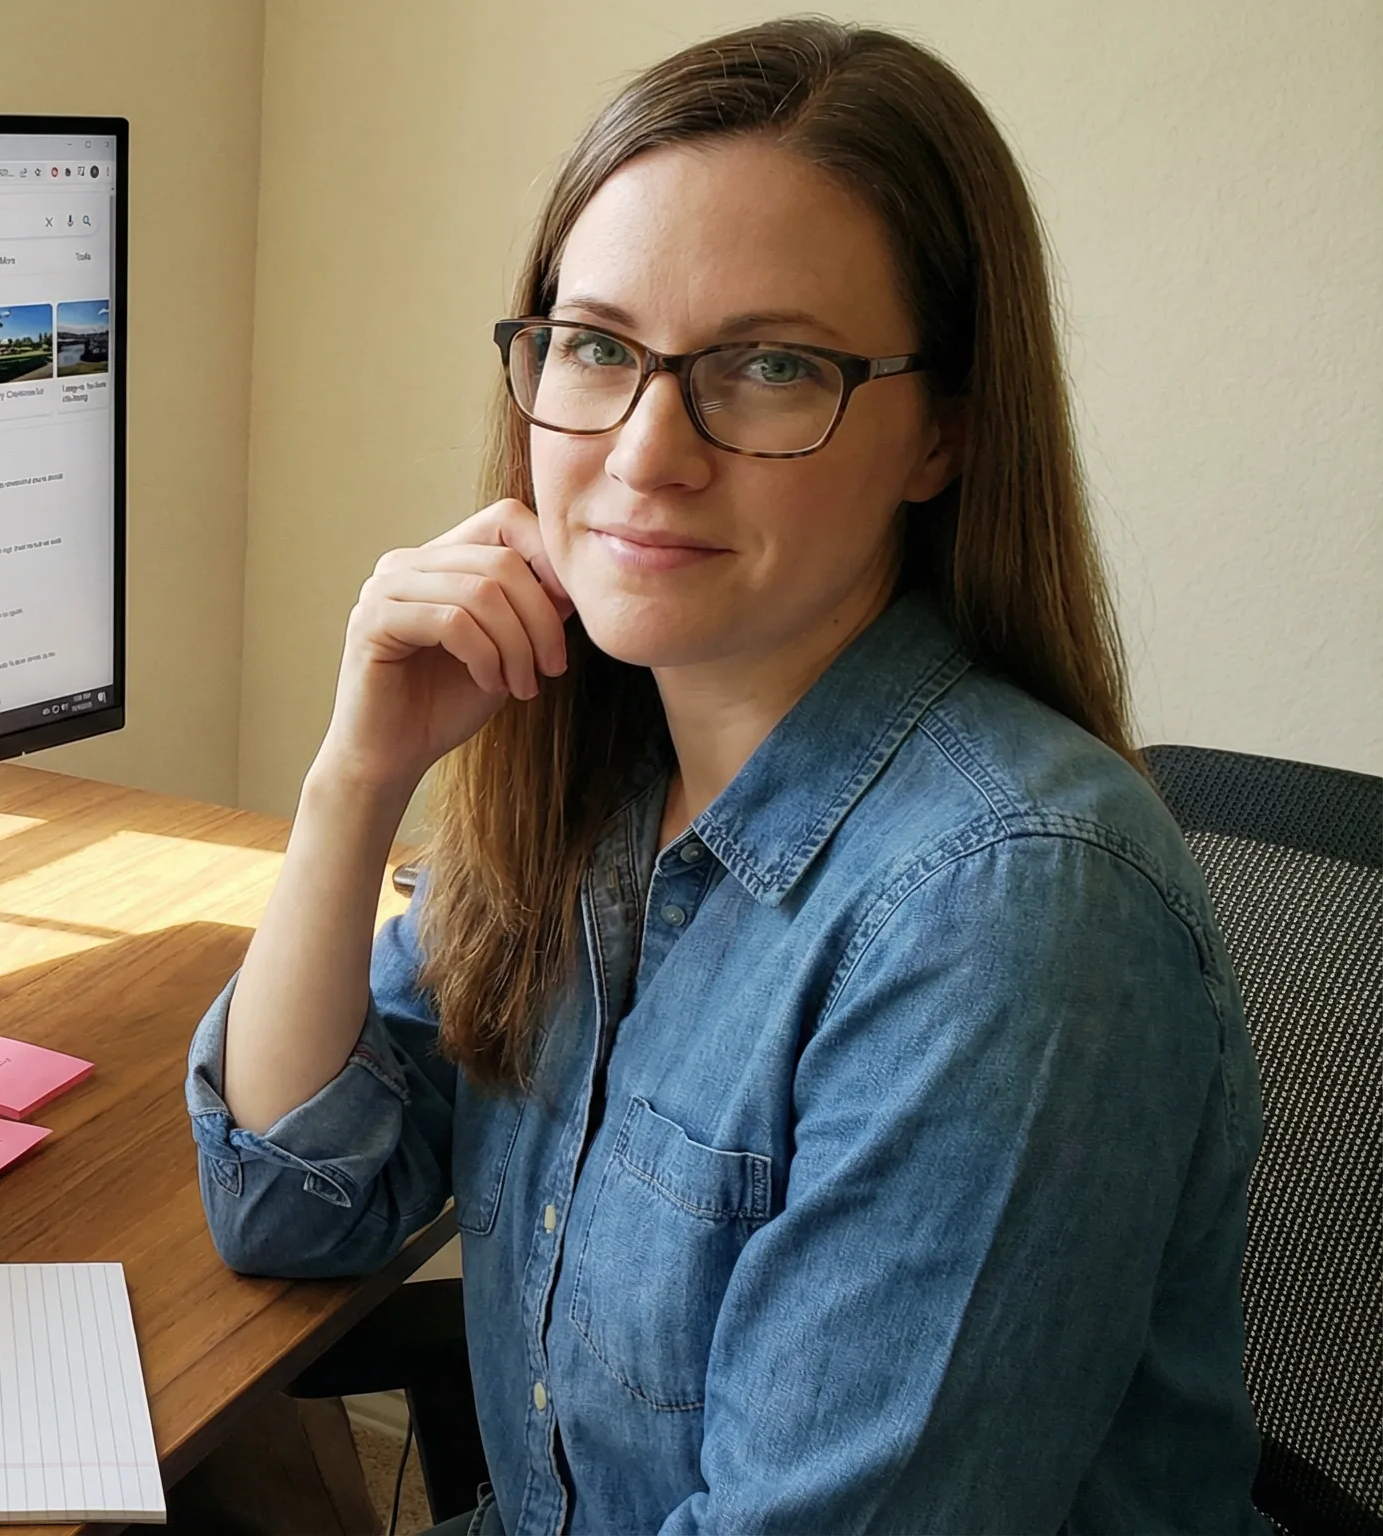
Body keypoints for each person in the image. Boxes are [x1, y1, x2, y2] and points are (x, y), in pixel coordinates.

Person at [184, 16, 1265, 1533]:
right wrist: (355, 779)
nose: (646, 452)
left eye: (769, 366)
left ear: (943, 434)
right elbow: (293, 1203)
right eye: (598, 346)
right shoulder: (605, 773)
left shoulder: (1007, 916)